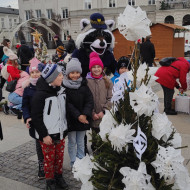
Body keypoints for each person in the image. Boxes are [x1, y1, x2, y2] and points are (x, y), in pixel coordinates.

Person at [31, 63, 68, 190]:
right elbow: (36, 117)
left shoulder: (61, 91)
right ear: (51, 78)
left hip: (61, 132)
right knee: (49, 160)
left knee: (59, 158)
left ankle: (59, 176)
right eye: (59, 75)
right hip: (47, 135)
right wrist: (44, 135)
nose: (62, 77)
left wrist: (65, 129)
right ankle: (50, 181)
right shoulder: (40, 95)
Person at [62, 58, 94, 167]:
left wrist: (84, 114)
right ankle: (73, 161)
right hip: (71, 119)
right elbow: (67, 103)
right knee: (72, 142)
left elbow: (89, 101)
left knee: (81, 141)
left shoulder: (84, 85)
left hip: (82, 119)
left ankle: (81, 159)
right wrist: (78, 115)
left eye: (77, 72)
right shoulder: (64, 86)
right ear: (68, 73)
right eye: (72, 73)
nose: (75, 75)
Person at [22, 59, 45, 179]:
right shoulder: (27, 88)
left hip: (46, 119)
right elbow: (25, 105)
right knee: (38, 143)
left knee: (48, 142)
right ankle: (41, 165)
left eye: (37, 72)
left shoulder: (46, 85)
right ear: (30, 74)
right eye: (33, 72)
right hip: (35, 120)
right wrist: (27, 117)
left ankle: (50, 164)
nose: (35, 74)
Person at [86, 52, 113, 151]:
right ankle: (96, 152)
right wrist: (92, 112)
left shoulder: (107, 81)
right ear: (90, 68)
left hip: (104, 115)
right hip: (93, 115)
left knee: (105, 136)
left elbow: (111, 98)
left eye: (98, 66)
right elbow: (86, 99)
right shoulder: (87, 81)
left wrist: (104, 110)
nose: (96, 69)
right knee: (95, 137)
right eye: (94, 67)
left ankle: (105, 153)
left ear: (102, 68)